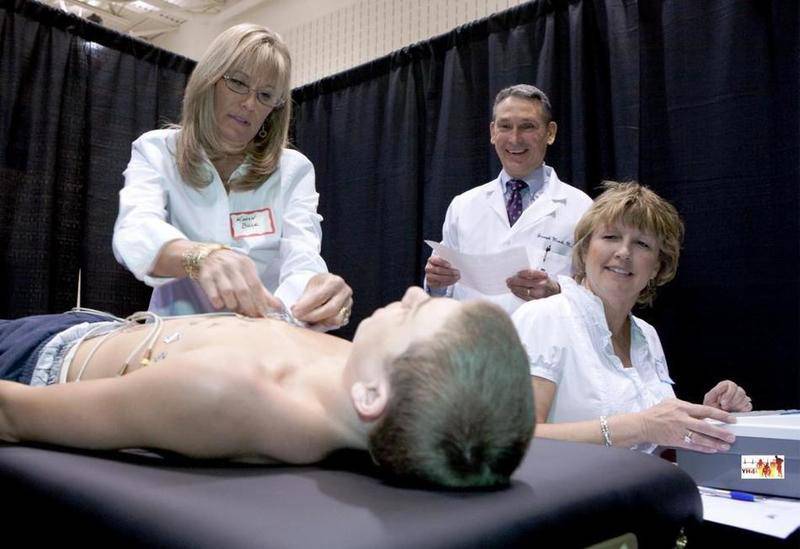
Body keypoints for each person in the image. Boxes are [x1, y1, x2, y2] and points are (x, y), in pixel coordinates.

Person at [0, 288, 534, 488]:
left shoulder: (227, 393)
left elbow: (14, 417)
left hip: (37, 357)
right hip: (105, 325)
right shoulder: (360, 377)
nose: (413, 291)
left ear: (373, 397)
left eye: (416, 314)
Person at [112, 23, 352, 329]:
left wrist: (320, 296)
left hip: (263, 335)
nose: (250, 104)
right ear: (210, 80)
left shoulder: (293, 170)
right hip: (174, 336)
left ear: (275, 110)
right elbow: (134, 232)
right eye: (238, 83)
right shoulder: (157, 150)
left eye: (265, 95)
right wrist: (199, 256)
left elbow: (302, 258)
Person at [512, 181, 752, 453]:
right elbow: (519, 441)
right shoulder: (544, 318)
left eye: (641, 243)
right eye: (611, 237)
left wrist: (707, 422)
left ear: (657, 267)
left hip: (641, 490)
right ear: (584, 248)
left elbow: (654, 442)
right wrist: (642, 426)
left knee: (776, 472)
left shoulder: (646, 335)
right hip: (569, 495)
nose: (624, 252)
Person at [425, 84, 593, 315]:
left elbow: (599, 295)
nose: (515, 139)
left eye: (527, 127)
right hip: (475, 344)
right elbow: (444, 296)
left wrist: (557, 291)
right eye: (505, 126)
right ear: (493, 132)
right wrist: (437, 284)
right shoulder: (463, 206)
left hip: (546, 346)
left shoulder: (582, 209)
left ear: (550, 132)